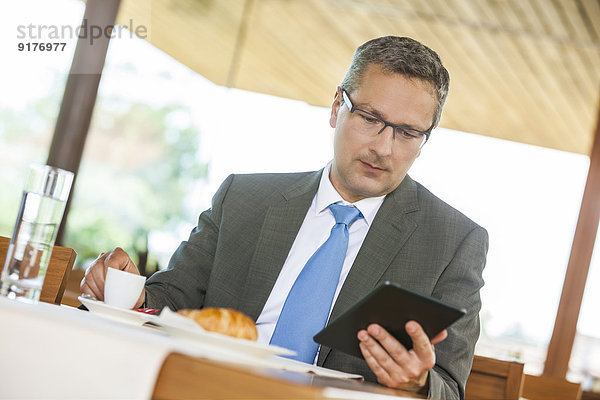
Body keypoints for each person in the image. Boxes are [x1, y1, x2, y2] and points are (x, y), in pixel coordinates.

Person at [81, 36, 488, 399]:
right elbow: (170, 301)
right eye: (369, 119)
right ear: (336, 108)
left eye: (407, 133)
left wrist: (417, 383)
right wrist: (130, 293)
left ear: (426, 138)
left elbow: (449, 389)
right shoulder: (242, 198)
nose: (383, 147)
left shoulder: (453, 241)